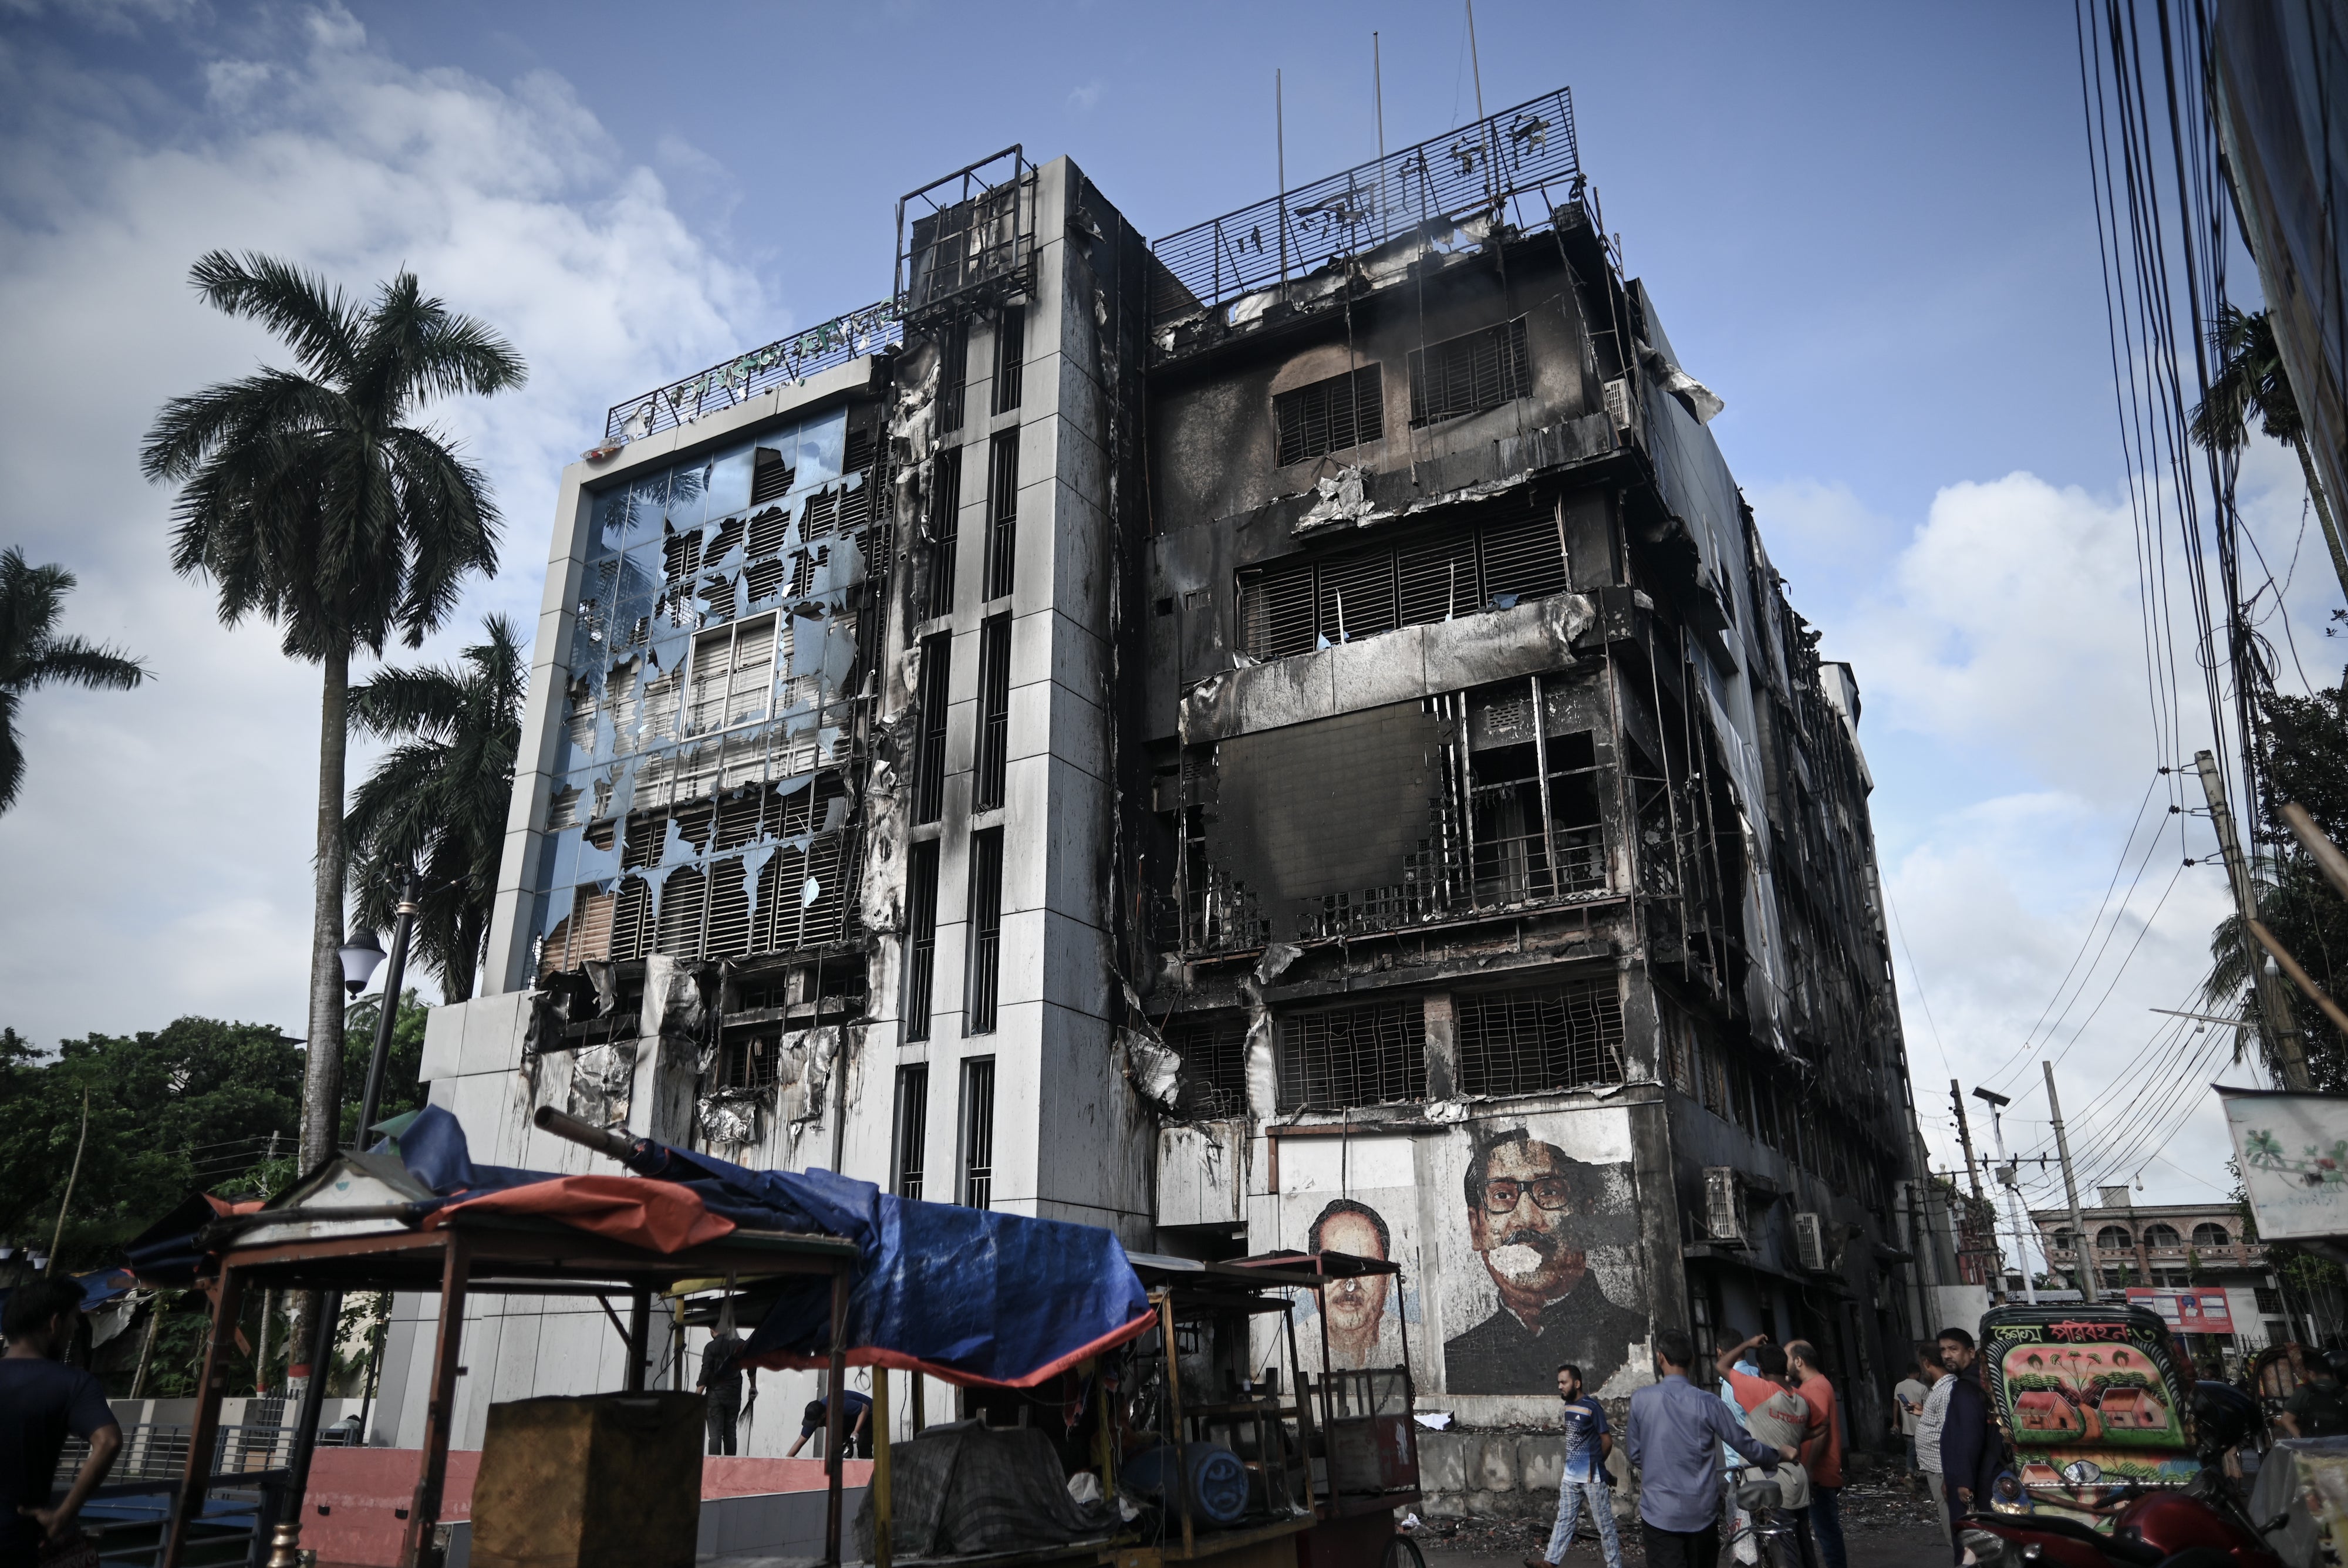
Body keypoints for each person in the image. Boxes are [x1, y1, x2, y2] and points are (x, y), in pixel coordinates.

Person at [1443, 1129, 1647, 1395]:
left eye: (1549, 1191)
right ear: (1476, 1228)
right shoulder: (1456, 1362)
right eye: (1502, 1196)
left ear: (1584, 1216)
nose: (1527, 1218)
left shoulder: (1637, 1341)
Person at [1624, 1330, 1794, 1568]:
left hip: (1659, 1513)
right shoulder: (1708, 1402)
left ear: (1660, 1357)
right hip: (1701, 1514)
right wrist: (1777, 1455)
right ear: (1693, 1360)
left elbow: (1635, 1455)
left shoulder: (1641, 1400)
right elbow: (1745, 1444)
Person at [2, 1278, 122, 1568]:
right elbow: (108, 1441)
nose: (75, 1329)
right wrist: (65, 1513)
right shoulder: (73, 1383)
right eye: (74, 1319)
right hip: (16, 1542)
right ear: (55, 1323)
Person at [1716, 1338, 1819, 1567]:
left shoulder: (1759, 1389)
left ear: (1760, 1369)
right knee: (1804, 1546)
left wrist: (1746, 1344)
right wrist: (1794, 1437)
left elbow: (1722, 1366)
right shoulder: (1802, 1398)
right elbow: (1823, 1423)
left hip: (1771, 1486)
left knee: (1784, 1551)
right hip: (1798, 1482)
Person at [1526, 1363, 1623, 1568]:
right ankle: (1550, 1563)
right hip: (1570, 1477)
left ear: (1577, 1383)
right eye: (1559, 1382)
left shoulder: (1593, 1407)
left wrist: (1596, 1465)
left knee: (1604, 1526)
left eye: (1564, 1382)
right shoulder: (1568, 1407)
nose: (1560, 1386)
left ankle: (1615, 1566)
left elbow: (1607, 1441)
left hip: (1592, 1478)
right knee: (1564, 1521)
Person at [1309, 1199, 1403, 1370]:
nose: (1350, 1284)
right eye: (1334, 1266)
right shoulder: (1297, 1345)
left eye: (1366, 1268)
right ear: (1311, 1279)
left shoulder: (1411, 1339)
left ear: (1387, 1281)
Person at [1936, 1327, 2001, 1567]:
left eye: (1954, 1349)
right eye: (1943, 1350)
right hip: (1984, 1475)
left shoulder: (1966, 1387)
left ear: (1971, 1352)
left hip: (1975, 1480)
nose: (1947, 1355)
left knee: (1971, 1544)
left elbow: (1968, 1437)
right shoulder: (1982, 1382)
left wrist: (1963, 1482)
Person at [1784, 1341, 1846, 1568]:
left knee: (1828, 1535)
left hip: (1819, 1474)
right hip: (1816, 1473)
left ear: (1799, 1361)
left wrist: (1808, 1468)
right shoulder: (1811, 1386)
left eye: (1787, 1358)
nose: (1785, 1363)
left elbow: (1821, 1430)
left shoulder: (1816, 1387)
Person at [1910, 1346, 1955, 1551]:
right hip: (1938, 1467)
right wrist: (1923, 1412)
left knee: (1951, 1520)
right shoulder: (1941, 1390)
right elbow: (1941, 1423)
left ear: (1927, 1363)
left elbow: (1951, 1433)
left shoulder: (1945, 1391)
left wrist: (1949, 1476)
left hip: (1941, 1469)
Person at [697, 1315, 755, 1456]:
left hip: (715, 1396)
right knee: (730, 1432)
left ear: (711, 1330)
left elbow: (705, 1374)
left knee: (715, 1435)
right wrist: (753, 1386)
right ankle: (730, 1466)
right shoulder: (740, 1344)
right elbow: (752, 1365)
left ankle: (715, 1469)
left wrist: (696, 1396)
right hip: (734, 1394)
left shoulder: (711, 1347)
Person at [2279, 1350, 2348, 1437]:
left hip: (2315, 1447)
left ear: (2311, 1373)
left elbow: (2286, 1420)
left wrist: (2306, 1443)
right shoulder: (2342, 1391)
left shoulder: (2305, 1391)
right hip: (2342, 1446)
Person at [788, 1389, 873, 1459]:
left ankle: (873, 1477)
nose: (814, 1426)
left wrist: (855, 1432)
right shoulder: (813, 1417)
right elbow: (800, 1442)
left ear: (823, 1416)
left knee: (863, 1448)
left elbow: (864, 1409)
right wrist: (785, 1462)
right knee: (841, 1451)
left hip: (869, 1414)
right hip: (848, 1419)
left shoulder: (837, 1404)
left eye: (816, 1423)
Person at [1893, 1360, 1929, 1498]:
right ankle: (1913, 1474)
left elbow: (1895, 1405)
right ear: (1918, 1373)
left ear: (1908, 1373)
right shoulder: (1922, 1388)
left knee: (1910, 1452)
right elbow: (1927, 1409)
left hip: (1907, 1426)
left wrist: (1896, 1423)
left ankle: (1910, 1473)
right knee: (1922, 1451)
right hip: (1922, 1425)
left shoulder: (1899, 1386)